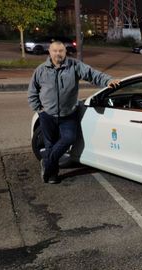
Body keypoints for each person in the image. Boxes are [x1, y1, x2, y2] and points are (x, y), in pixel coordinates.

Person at [28, 41, 119, 184]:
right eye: (55, 51)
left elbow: (92, 74)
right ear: (49, 52)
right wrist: (39, 109)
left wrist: (108, 80)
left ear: (65, 52)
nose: (58, 53)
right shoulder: (41, 70)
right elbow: (32, 92)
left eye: (61, 51)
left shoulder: (74, 66)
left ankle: (46, 161)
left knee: (69, 139)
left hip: (68, 114)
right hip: (47, 115)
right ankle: (52, 175)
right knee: (50, 144)